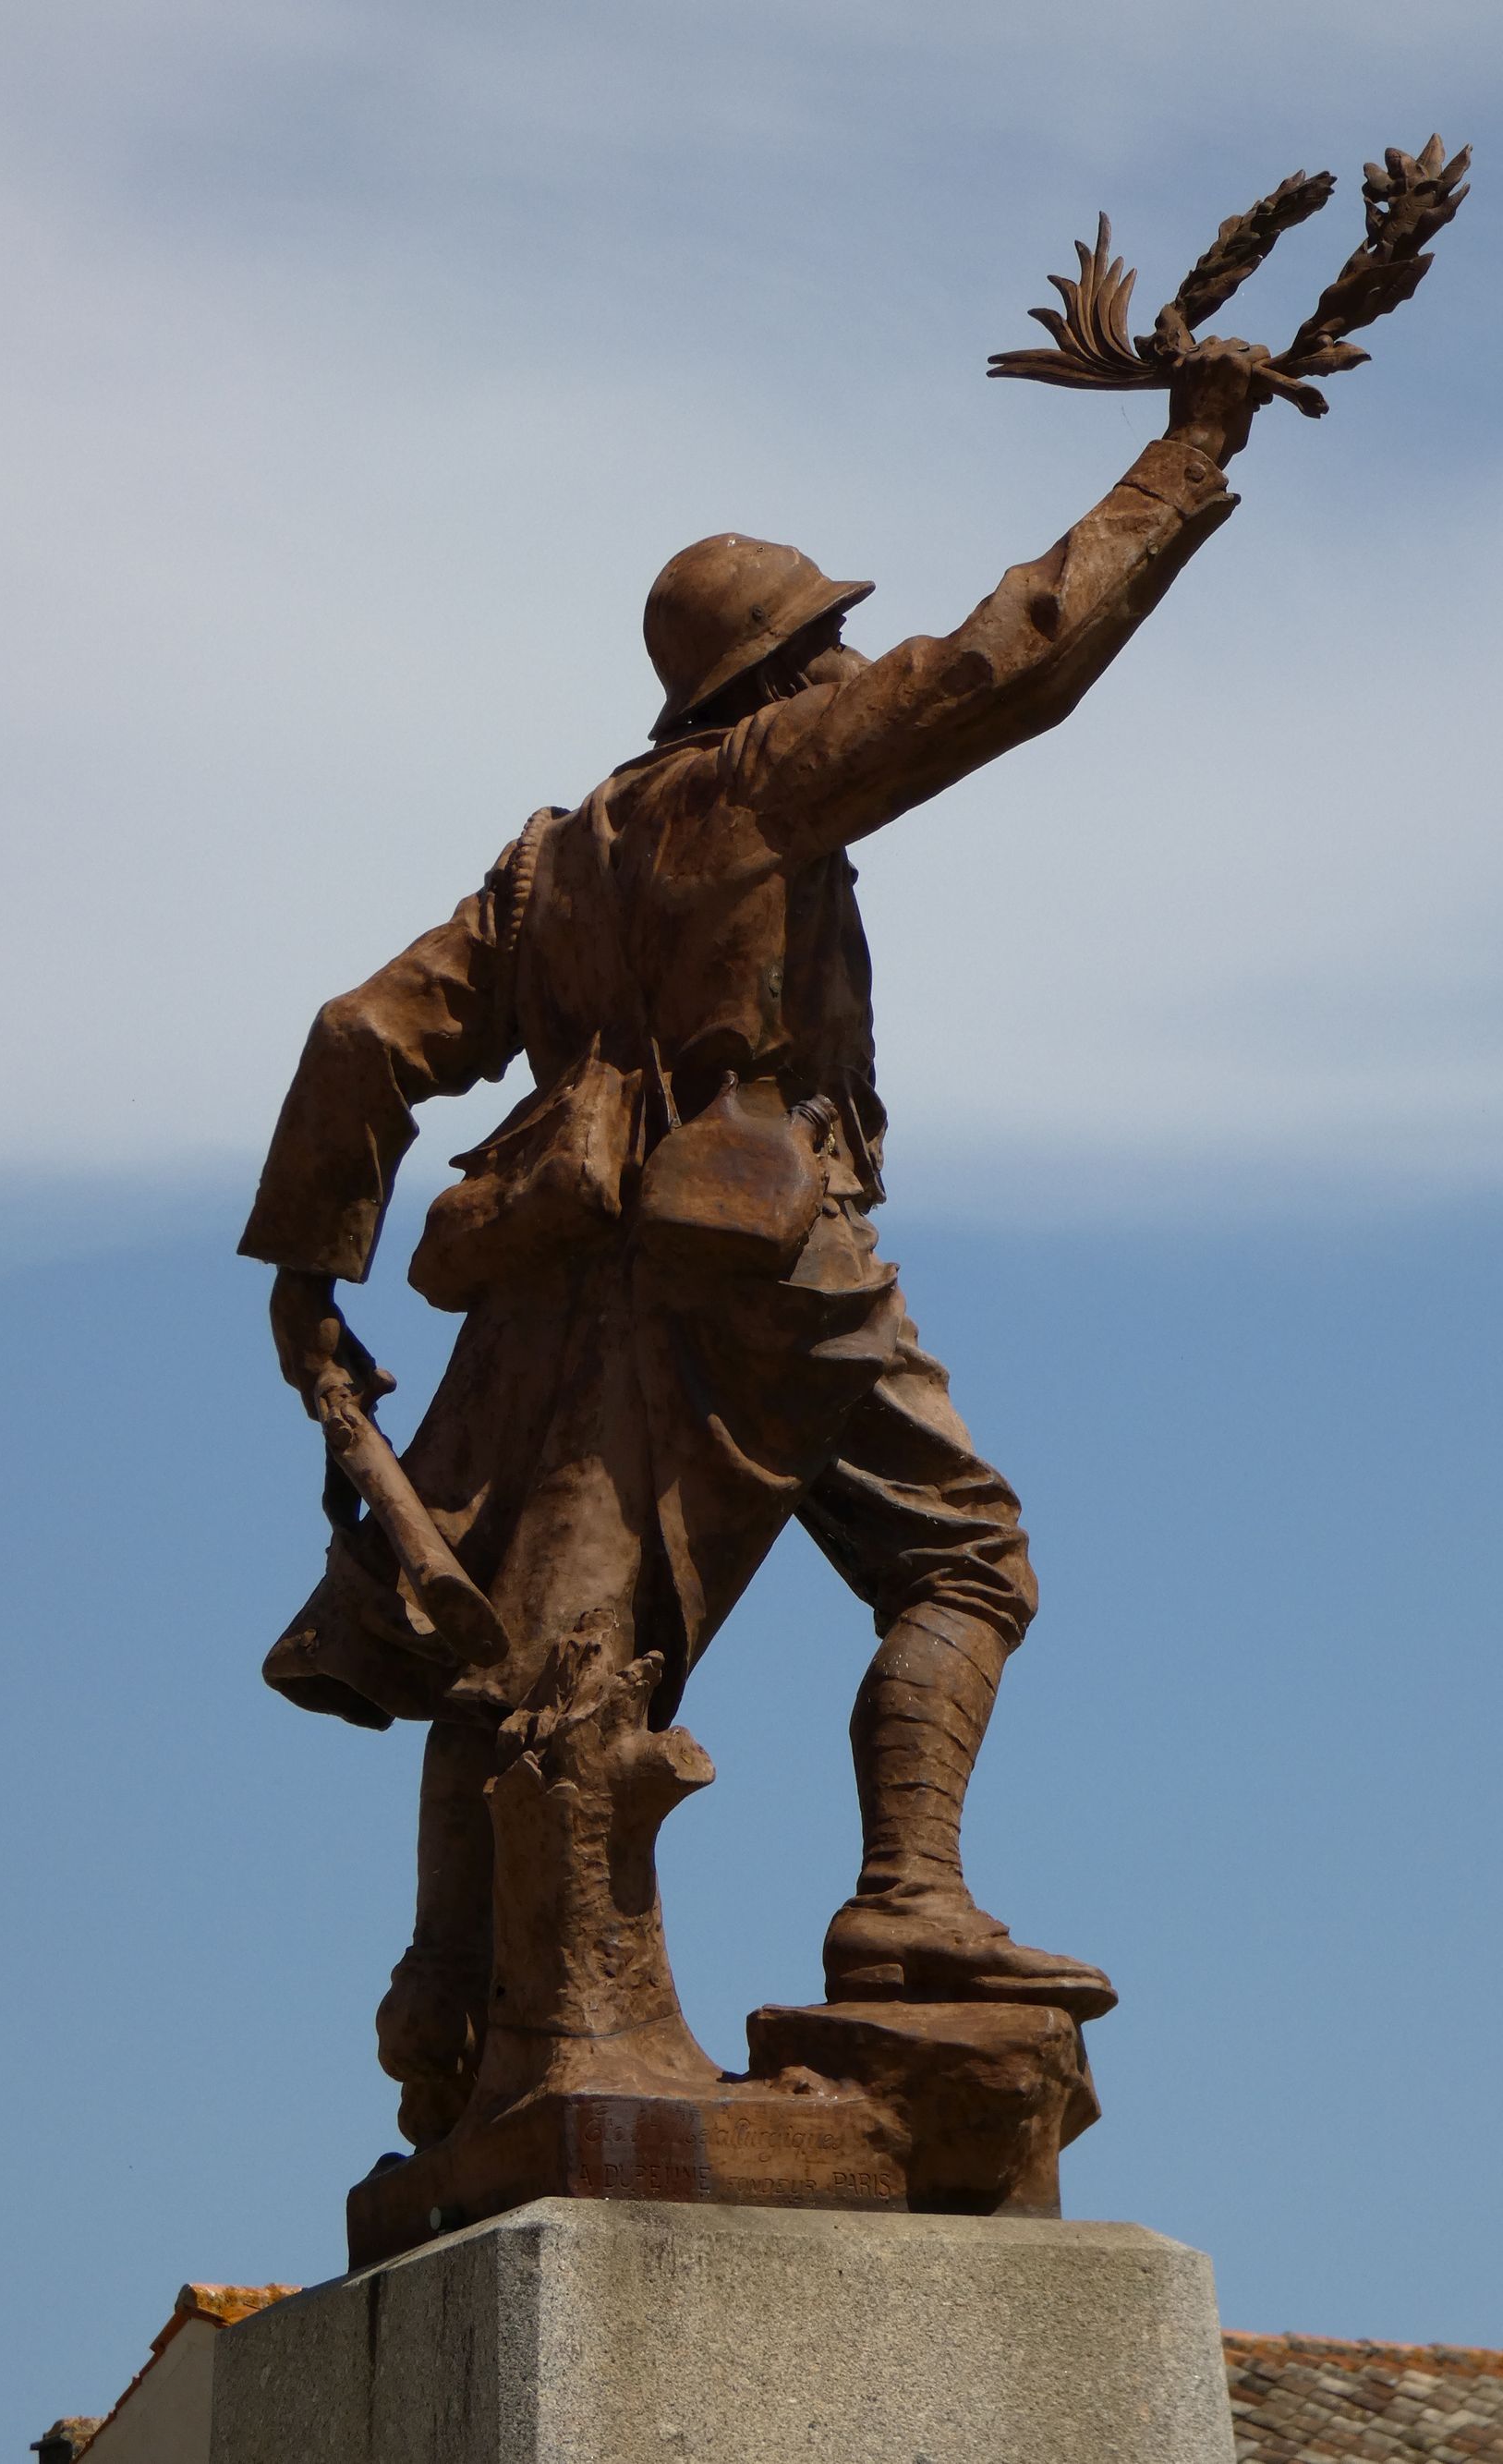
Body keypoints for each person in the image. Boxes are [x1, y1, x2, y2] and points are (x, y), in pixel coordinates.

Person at [241, 343, 1261, 2146]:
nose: (859, 669)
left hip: (560, 1277)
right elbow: (1008, 659)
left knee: (546, 1639)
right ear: (783, 673)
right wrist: (1188, 454)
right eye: (830, 647)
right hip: (755, 1239)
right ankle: (905, 1901)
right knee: (964, 1556)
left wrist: (312, 1277)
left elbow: (356, 1031)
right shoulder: (757, 780)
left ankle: (460, 2008)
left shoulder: (554, 858)